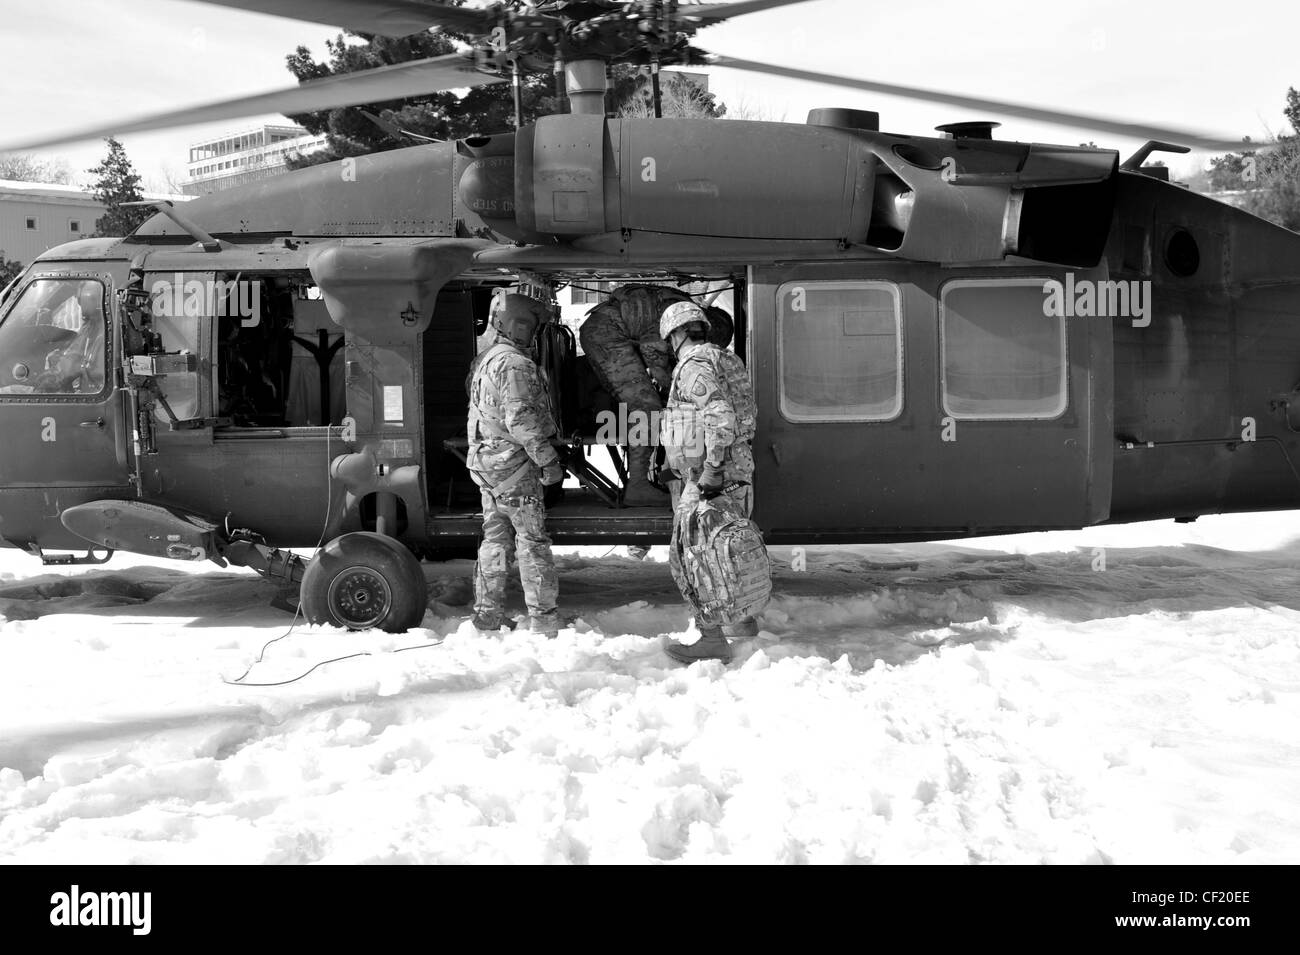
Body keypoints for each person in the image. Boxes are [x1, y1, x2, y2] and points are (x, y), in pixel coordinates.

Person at [656, 300, 759, 664]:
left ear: (678, 334)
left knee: (691, 556)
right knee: (730, 546)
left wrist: (711, 469)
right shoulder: (725, 358)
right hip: (737, 469)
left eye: (671, 338)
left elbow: (719, 414)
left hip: (712, 476)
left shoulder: (693, 365)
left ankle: (712, 637)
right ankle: (742, 621)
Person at [467, 293, 566, 638]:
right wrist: (550, 463)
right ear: (522, 327)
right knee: (532, 542)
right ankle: (544, 621)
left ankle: (487, 616)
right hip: (516, 468)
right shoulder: (515, 364)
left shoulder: (487, 359)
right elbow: (522, 420)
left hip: (489, 466)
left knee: (494, 540)